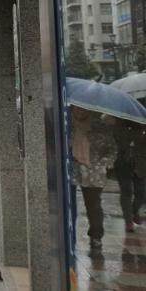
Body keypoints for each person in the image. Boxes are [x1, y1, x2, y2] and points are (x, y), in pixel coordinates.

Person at [72, 107, 115, 250]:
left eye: (83, 110)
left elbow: (112, 149)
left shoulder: (100, 127)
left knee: (94, 207)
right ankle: (69, 234)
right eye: (77, 109)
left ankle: (96, 236)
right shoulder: (66, 125)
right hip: (72, 170)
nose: (79, 112)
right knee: (68, 205)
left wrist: (104, 163)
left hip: (94, 172)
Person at [114, 119, 146, 232]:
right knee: (126, 192)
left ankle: (133, 211)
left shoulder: (143, 126)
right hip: (123, 165)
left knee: (141, 194)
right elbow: (118, 141)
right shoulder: (119, 125)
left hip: (141, 165)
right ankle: (129, 221)